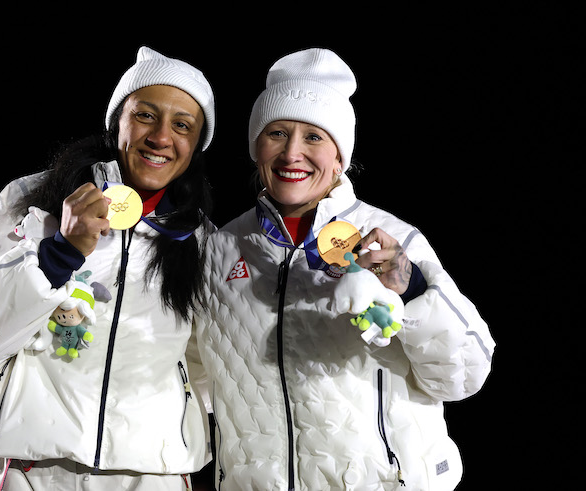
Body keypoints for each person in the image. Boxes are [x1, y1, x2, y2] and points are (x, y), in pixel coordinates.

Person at [196, 48, 495, 490]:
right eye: (276, 133)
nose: (292, 153)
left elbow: (463, 375)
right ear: (256, 146)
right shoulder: (219, 250)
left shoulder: (391, 238)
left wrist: (410, 290)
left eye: (314, 136)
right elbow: (196, 377)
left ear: (340, 155)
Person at [0, 46, 216, 491]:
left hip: (150, 475)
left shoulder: (203, 241)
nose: (162, 137)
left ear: (196, 145)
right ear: (117, 122)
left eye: (182, 125)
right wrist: (58, 254)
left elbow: (205, 372)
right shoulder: (32, 200)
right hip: (31, 470)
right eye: (146, 115)